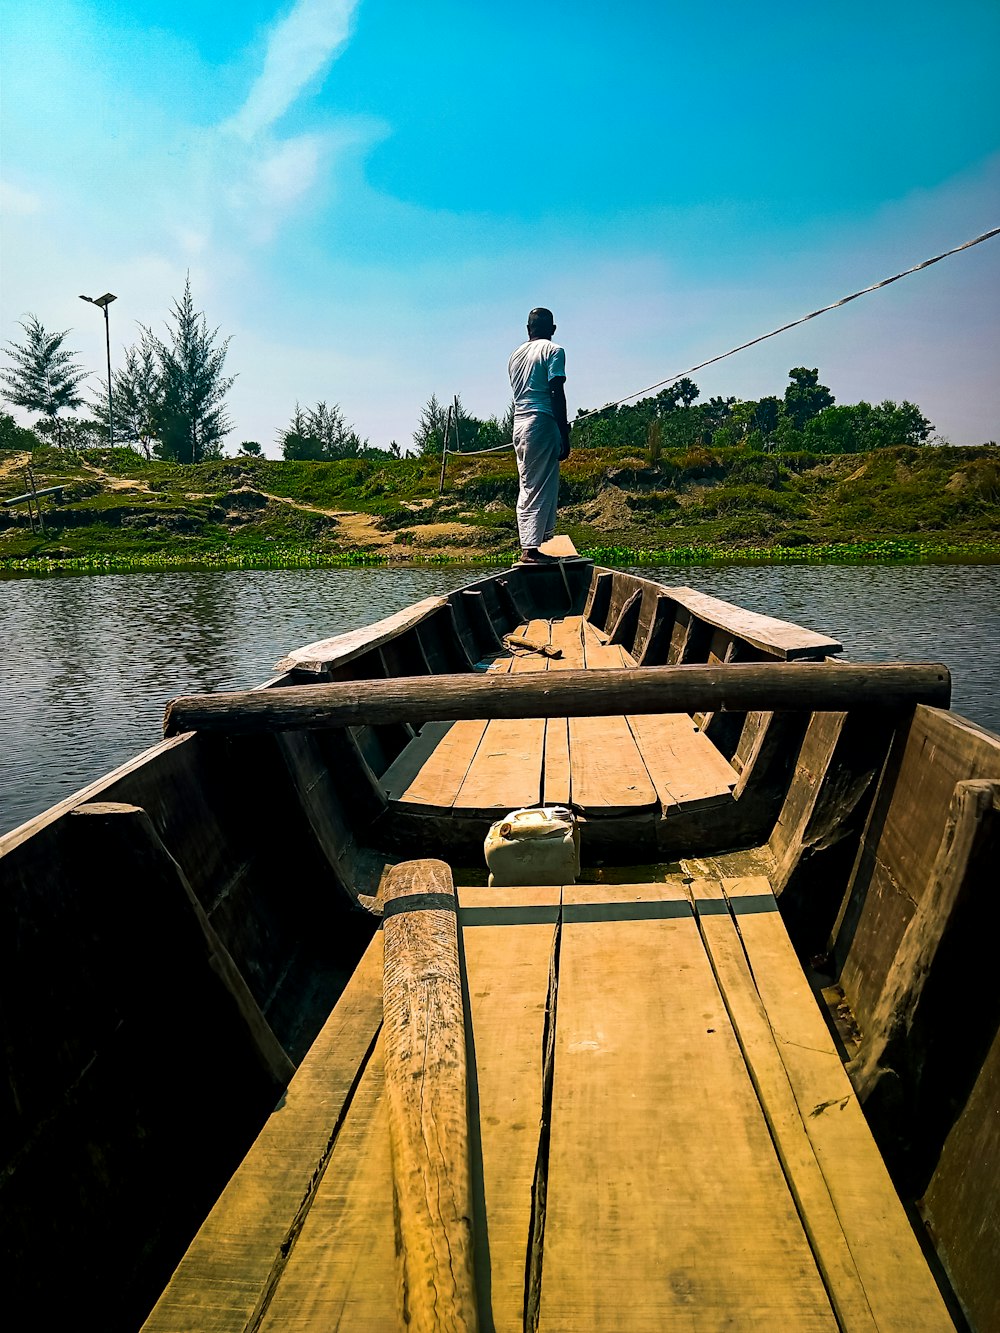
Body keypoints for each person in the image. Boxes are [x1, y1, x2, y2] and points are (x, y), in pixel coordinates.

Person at [508, 307, 570, 565]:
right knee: (537, 486)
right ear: (553, 330)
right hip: (541, 421)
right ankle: (530, 550)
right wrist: (563, 431)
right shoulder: (554, 351)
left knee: (532, 483)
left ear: (527, 329)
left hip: (519, 425)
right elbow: (556, 390)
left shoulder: (515, 355)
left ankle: (536, 543)